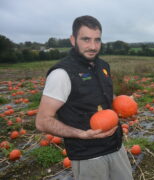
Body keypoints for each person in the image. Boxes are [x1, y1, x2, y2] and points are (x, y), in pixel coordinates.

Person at [35, 15, 133, 180]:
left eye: (97, 40)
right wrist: (81, 134)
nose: (93, 46)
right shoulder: (61, 74)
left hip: (116, 147)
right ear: (73, 40)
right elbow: (42, 121)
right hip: (88, 155)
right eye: (86, 39)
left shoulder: (103, 66)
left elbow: (107, 98)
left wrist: (125, 105)